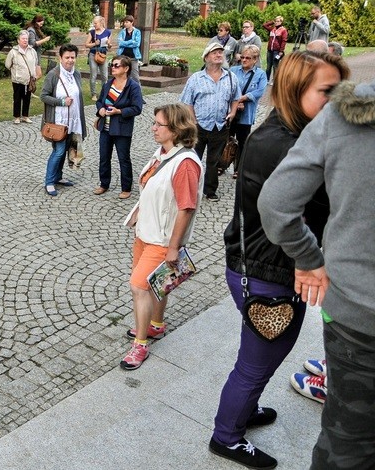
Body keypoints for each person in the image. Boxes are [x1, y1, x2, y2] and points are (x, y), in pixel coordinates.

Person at [209, 51, 348, 469]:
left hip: (264, 266)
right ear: (295, 89)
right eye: (328, 91)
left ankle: (244, 409)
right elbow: (316, 207)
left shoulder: (288, 131)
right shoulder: (284, 145)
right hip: (268, 273)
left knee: (260, 357)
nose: (338, 100)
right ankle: (226, 436)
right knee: (256, 363)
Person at [258, 72, 374, 470]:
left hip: (356, 316)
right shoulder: (274, 136)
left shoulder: (346, 114)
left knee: (346, 447)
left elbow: (275, 204)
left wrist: (309, 259)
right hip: (354, 315)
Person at [120, 103, 203, 370]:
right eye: (154, 122)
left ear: (176, 129)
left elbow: (186, 207)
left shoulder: (185, 164)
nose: (153, 128)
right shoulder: (163, 153)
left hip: (162, 239)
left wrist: (173, 247)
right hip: (146, 232)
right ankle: (155, 324)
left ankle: (140, 345)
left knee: (139, 287)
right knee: (157, 283)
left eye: (159, 124)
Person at [179, 42, 241, 202]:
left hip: (220, 126)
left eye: (221, 52)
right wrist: (193, 121)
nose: (219, 55)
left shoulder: (231, 78)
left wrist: (233, 112)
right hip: (198, 126)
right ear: (206, 57)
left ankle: (210, 190)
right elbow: (187, 102)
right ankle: (189, 189)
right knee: (193, 158)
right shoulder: (196, 78)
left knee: (214, 161)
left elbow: (236, 97)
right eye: (215, 52)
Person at [93, 55, 143, 199]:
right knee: (104, 157)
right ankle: (104, 184)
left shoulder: (132, 86)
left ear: (126, 68)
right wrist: (100, 109)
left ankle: (126, 188)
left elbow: (137, 108)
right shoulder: (108, 84)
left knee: (123, 158)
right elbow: (100, 101)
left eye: (116, 65)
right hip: (105, 127)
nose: (112, 68)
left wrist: (119, 111)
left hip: (122, 129)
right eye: (112, 65)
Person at [40, 44, 86, 197]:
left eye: (73, 57)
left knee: (67, 149)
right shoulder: (53, 75)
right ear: (60, 58)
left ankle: (58, 177)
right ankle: (49, 181)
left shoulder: (76, 74)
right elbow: (43, 96)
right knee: (59, 151)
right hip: (58, 122)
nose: (70, 60)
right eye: (67, 57)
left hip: (74, 120)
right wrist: (61, 102)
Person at [228, 45, 267, 179]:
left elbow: (259, 91)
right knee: (226, 139)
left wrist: (242, 99)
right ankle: (222, 164)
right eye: (242, 57)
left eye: (248, 58)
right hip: (231, 112)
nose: (244, 60)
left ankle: (238, 168)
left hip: (246, 114)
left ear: (255, 60)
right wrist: (235, 102)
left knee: (242, 142)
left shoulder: (260, 74)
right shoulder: (233, 70)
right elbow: (227, 87)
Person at [5, 30, 41, 125]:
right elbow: (8, 65)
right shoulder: (13, 52)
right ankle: (17, 117)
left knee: (27, 98)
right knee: (17, 98)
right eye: (23, 39)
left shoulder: (32, 51)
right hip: (17, 80)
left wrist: (34, 75)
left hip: (29, 79)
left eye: (26, 39)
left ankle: (25, 116)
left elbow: (35, 62)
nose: (25, 40)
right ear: (18, 40)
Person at [86, 16, 111, 101]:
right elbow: (86, 44)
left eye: (95, 23)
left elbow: (109, 46)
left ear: (101, 23)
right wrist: (94, 43)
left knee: (105, 76)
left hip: (103, 55)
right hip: (93, 55)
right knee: (93, 75)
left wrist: (109, 44)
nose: (94, 25)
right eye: (94, 23)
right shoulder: (92, 32)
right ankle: (94, 94)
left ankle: (104, 93)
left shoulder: (108, 32)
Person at [117, 15, 143, 83]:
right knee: (123, 75)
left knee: (135, 77)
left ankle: (137, 89)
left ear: (132, 22)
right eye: (124, 22)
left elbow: (137, 44)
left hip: (133, 57)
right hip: (123, 57)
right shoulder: (122, 32)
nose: (125, 24)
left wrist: (125, 43)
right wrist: (131, 41)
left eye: (127, 22)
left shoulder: (137, 32)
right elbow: (120, 43)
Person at [263, 16, 287, 83]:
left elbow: (284, 41)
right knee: (268, 66)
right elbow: (264, 25)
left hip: (277, 51)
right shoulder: (272, 29)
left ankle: (274, 80)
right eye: (276, 21)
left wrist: (281, 51)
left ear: (281, 22)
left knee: (275, 66)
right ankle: (267, 79)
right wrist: (272, 22)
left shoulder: (283, 30)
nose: (276, 22)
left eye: (278, 21)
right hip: (269, 50)